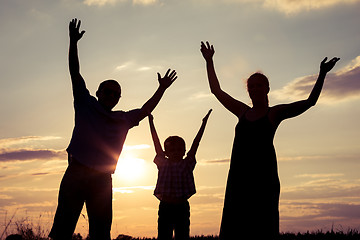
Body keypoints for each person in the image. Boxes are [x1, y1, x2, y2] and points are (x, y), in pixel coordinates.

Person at [49, 18, 177, 240]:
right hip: (76, 173)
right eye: (107, 91)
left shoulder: (123, 119)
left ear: (119, 99)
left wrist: (162, 88)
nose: (111, 95)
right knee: (63, 228)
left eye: (115, 93)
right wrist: (73, 42)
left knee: (100, 232)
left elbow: (146, 109)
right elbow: (74, 72)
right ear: (98, 92)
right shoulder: (85, 102)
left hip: (102, 180)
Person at [200, 41, 339, 240]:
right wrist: (209, 61)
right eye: (251, 86)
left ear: (267, 89)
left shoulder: (274, 114)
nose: (255, 89)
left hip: (264, 177)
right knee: (236, 225)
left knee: (263, 224)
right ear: (248, 90)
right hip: (239, 176)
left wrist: (322, 74)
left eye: (259, 85)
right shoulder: (242, 111)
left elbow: (310, 102)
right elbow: (216, 91)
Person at [148, 109, 212, 240]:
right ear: (166, 152)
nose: (175, 152)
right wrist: (151, 122)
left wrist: (203, 124)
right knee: (164, 236)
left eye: (179, 149)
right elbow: (156, 143)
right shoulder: (162, 163)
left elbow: (196, 143)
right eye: (171, 150)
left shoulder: (187, 163)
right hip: (165, 206)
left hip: (182, 207)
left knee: (182, 236)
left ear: (184, 151)